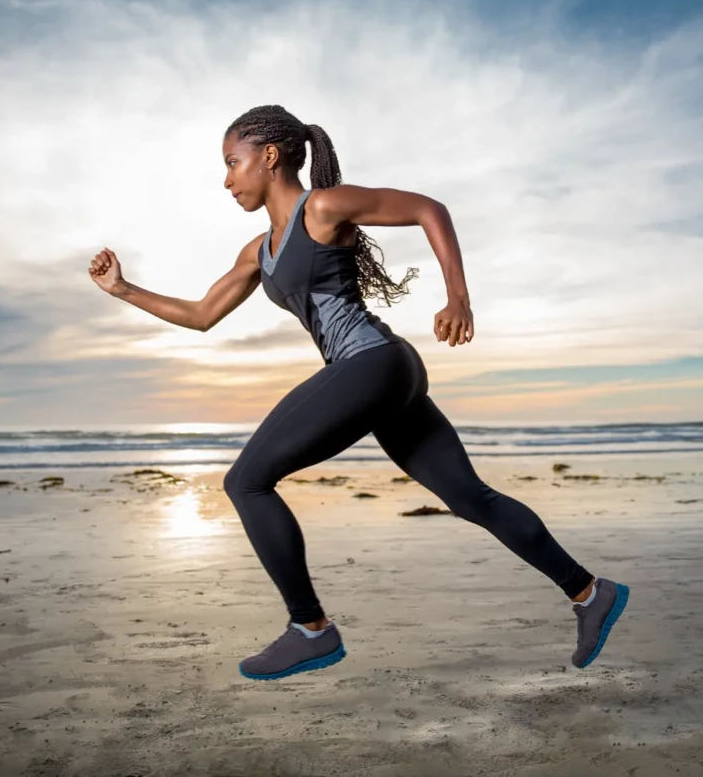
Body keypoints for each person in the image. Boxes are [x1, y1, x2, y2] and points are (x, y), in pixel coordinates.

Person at [88, 104, 629, 681]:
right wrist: (122, 289)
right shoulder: (258, 251)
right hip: (385, 373)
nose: (226, 180)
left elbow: (428, 209)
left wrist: (459, 298)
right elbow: (201, 315)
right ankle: (588, 592)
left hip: (372, 363)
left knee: (244, 480)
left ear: (268, 157)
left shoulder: (321, 208)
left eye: (232, 163)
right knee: (471, 498)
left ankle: (310, 630)